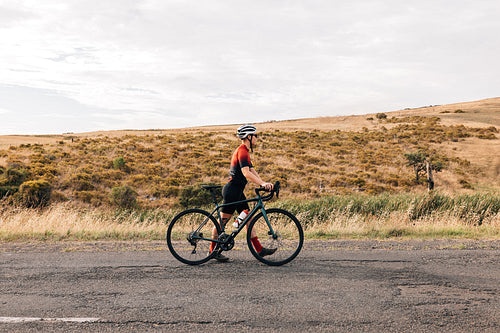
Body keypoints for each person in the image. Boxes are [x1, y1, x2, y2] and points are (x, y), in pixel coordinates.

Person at [209, 124, 277, 262]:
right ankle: (212, 251)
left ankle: (259, 250)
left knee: (248, 218)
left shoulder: (244, 151)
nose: (257, 138)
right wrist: (262, 184)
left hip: (237, 191)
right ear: (249, 137)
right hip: (232, 191)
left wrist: (263, 182)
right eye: (255, 136)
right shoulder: (242, 151)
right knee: (222, 222)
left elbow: (251, 170)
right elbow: (246, 173)